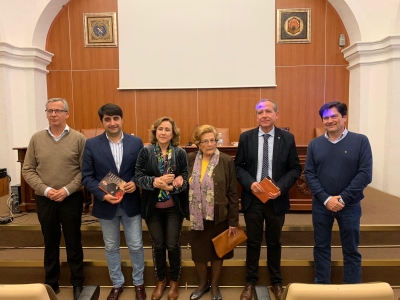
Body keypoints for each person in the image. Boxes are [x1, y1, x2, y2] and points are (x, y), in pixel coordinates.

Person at [235, 99, 301, 300]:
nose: (264, 115)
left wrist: (280, 187)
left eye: (268, 111)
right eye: (260, 112)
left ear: (276, 115)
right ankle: (250, 282)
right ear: (256, 116)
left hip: (276, 199)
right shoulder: (246, 138)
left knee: (274, 242)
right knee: (253, 242)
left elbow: (295, 168)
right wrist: (250, 183)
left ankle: (276, 282)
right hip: (253, 198)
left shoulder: (287, 138)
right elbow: (238, 166)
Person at [22, 98, 85, 300]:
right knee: (50, 241)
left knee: (73, 241)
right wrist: (46, 189)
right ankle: (51, 283)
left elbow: (85, 171)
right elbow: (28, 169)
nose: (54, 114)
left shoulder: (78, 139)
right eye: (50, 111)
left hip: (71, 198)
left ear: (67, 114)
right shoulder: (36, 138)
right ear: (46, 114)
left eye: (58, 111)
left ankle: (77, 283)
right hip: (45, 199)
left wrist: (67, 189)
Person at [81, 103, 146, 300]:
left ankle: (139, 283)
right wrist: (101, 195)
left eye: (116, 118)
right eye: (107, 119)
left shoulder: (136, 143)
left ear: (122, 119)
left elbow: (141, 171)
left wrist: (135, 183)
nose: (112, 122)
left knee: (135, 245)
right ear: (102, 122)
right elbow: (87, 176)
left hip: (131, 203)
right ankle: (117, 283)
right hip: (105, 204)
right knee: (111, 247)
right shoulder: (92, 144)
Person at [304, 101, 372, 284]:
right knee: (321, 248)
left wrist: (342, 198)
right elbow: (309, 174)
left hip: (349, 205)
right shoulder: (314, 144)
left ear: (344, 117)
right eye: (325, 117)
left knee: (351, 250)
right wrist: (326, 199)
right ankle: (322, 287)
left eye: (334, 116)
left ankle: (352, 290)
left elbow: (365, 174)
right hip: (321, 205)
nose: (329, 120)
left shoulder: (360, 141)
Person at [135, 116, 188, 300]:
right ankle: (160, 280)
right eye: (160, 129)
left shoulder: (180, 152)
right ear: (155, 131)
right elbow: (138, 177)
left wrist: (176, 184)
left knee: (172, 245)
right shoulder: (145, 151)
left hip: (174, 207)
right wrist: (156, 182)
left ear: (173, 133)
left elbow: (186, 178)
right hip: (153, 208)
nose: (163, 132)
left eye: (167, 129)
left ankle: (174, 281)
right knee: (158, 245)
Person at [187, 125, 239, 300]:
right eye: (205, 141)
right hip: (197, 216)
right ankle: (203, 284)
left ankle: (215, 286)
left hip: (219, 215)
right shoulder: (190, 159)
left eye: (213, 140)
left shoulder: (226, 160)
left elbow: (232, 192)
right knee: (199, 254)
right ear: (198, 144)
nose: (210, 144)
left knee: (218, 252)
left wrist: (233, 221)